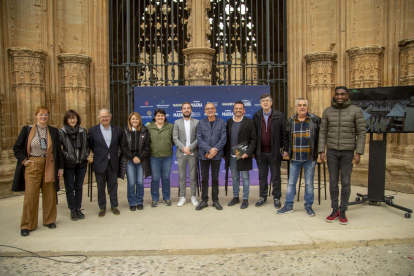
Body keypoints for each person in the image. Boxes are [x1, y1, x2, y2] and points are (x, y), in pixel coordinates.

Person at [12, 106, 64, 237]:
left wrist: (60, 168)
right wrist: (24, 161)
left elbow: (59, 151)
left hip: (49, 163)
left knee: (50, 194)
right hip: (33, 164)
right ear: (36, 116)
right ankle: (27, 224)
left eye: (46, 115)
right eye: (41, 115)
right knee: (30, 196)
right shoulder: (27, 130)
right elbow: (17, 148)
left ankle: (49, 220)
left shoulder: (53, 131)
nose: (43, 117)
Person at [319, 86, 366, 225]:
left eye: (342, 94)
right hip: (332, 151)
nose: (340, 97)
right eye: (337, 94)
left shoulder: (356, 111)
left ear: (347, 96)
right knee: (333, 182)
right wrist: (322, 150)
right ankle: (335, 209)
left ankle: (343, 209)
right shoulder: (328, 111)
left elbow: (361, 132)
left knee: (346, 182)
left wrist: (358, 152)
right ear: (334, 95)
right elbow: (323, 132)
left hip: (348, 151)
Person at [277, 98, 321, 216]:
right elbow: (286, 137)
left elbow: (321, 137)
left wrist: (321, 151)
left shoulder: (315, 120)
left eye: (304, 105)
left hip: (309, 157)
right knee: (291, 183)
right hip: (295, 157)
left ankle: (308, 206)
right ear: (296, 107)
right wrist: (286, 150)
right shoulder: (290, 121)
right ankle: (288, 205)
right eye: (300, 105)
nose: (302, 107)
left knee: (309, 183)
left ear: (307, 107)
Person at [253, 93, 288, 208]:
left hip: (274, 153)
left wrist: (286, 149)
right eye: (263, 101)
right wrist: (253, 151)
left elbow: (284, 134)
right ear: (260, 103)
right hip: (261, 152)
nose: (265, 102)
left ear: (271, 102)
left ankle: (276, 197)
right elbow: (253, 135)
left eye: (267, 100)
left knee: (276, 177)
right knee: (262, 176)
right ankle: (263, 197)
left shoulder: (279, 115)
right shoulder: (257, 115)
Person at [88, 108, 122, 217]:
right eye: (102, 117)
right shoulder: (93, 130)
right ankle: (102, 208)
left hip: (113, 162)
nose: (105, 118)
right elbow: (90, 145)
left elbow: (121, 145)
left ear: (110, 117)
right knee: (100, 187)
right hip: (99, 162)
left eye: (106, 116)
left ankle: (114, 206)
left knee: (113, 186)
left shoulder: (117, 129)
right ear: (99, 118)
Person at [224, 101, 257, 209]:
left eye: (240, 108)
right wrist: (226, 154)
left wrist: (248, 153)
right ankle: (235, 197)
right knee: (234, 178)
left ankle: (245, 199)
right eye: (236, 108)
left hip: (244, 156)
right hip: (232, 156)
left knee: (245, 178)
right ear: (233, 110)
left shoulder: (249, 122)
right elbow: (226, 140)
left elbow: (253, 139)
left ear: (244, 110)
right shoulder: (229, 122)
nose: (238, 110)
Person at [59, 109, 90, 221]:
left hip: (81, 163)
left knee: (79, 187)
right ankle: (72, 209)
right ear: (66, 120)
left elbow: (87, 145)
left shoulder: (82, 131)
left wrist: (85, 154)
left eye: (74, 118)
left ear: (77, 119)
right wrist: (67, 155)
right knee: (69, 187)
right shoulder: (62, 132)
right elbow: (58, 149)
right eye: (70, 118)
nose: (72, 120)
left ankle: (78, 208)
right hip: (69, 164)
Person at [196, 103, 227, 211]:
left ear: (215, 109)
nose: (210, 110)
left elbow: (223, 139)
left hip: (217, 155)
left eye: (212, 108)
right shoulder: (200, 123)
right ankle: (204, 200)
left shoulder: (221, 122)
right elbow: (199, 140)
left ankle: (215, 200)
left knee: (215, 179)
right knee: (204, 179)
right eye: (208, 109)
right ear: (205, 111)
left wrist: (214, 151)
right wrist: (209, 150)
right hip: (204, 155)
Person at [118, 112, 151, 211]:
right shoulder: (126, 130)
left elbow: (147, 147)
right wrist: (132, 157)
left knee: (140, 182)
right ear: (129, 120)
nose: (134, 121)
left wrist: (139, 157)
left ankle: (140, 201)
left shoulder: (145, 130)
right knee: (131, 182)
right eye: (132, 119)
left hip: (141, 159)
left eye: (136, 119)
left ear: (139, 120)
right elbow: (123, 147)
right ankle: (132, 202)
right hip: (129, 159)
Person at [173, 102, 200, 207]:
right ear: (181, 110)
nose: (186, 110)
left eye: (188, 108)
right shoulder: (177, 122)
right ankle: (183, 197)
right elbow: (175, 137)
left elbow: (199, 138)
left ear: (191, 110)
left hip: (193, 153)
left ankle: (193, 196)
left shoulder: (197, 122)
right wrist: (184, 148)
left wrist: (190, 148)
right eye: (184, 108)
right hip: (181, 153)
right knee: (182, 177)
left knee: (193, 176)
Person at [147, 109, 174, 207]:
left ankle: (166, 198)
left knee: (166, 177)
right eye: (158, 116)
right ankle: (155, 199)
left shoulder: (170, 126)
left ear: (164, 117)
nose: (160, 117)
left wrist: (168, 145)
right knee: (155, 178)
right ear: (155, 117)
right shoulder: (149, 127)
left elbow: (174, 139)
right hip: (154, 156)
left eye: (162, 116)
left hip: (167, 155)